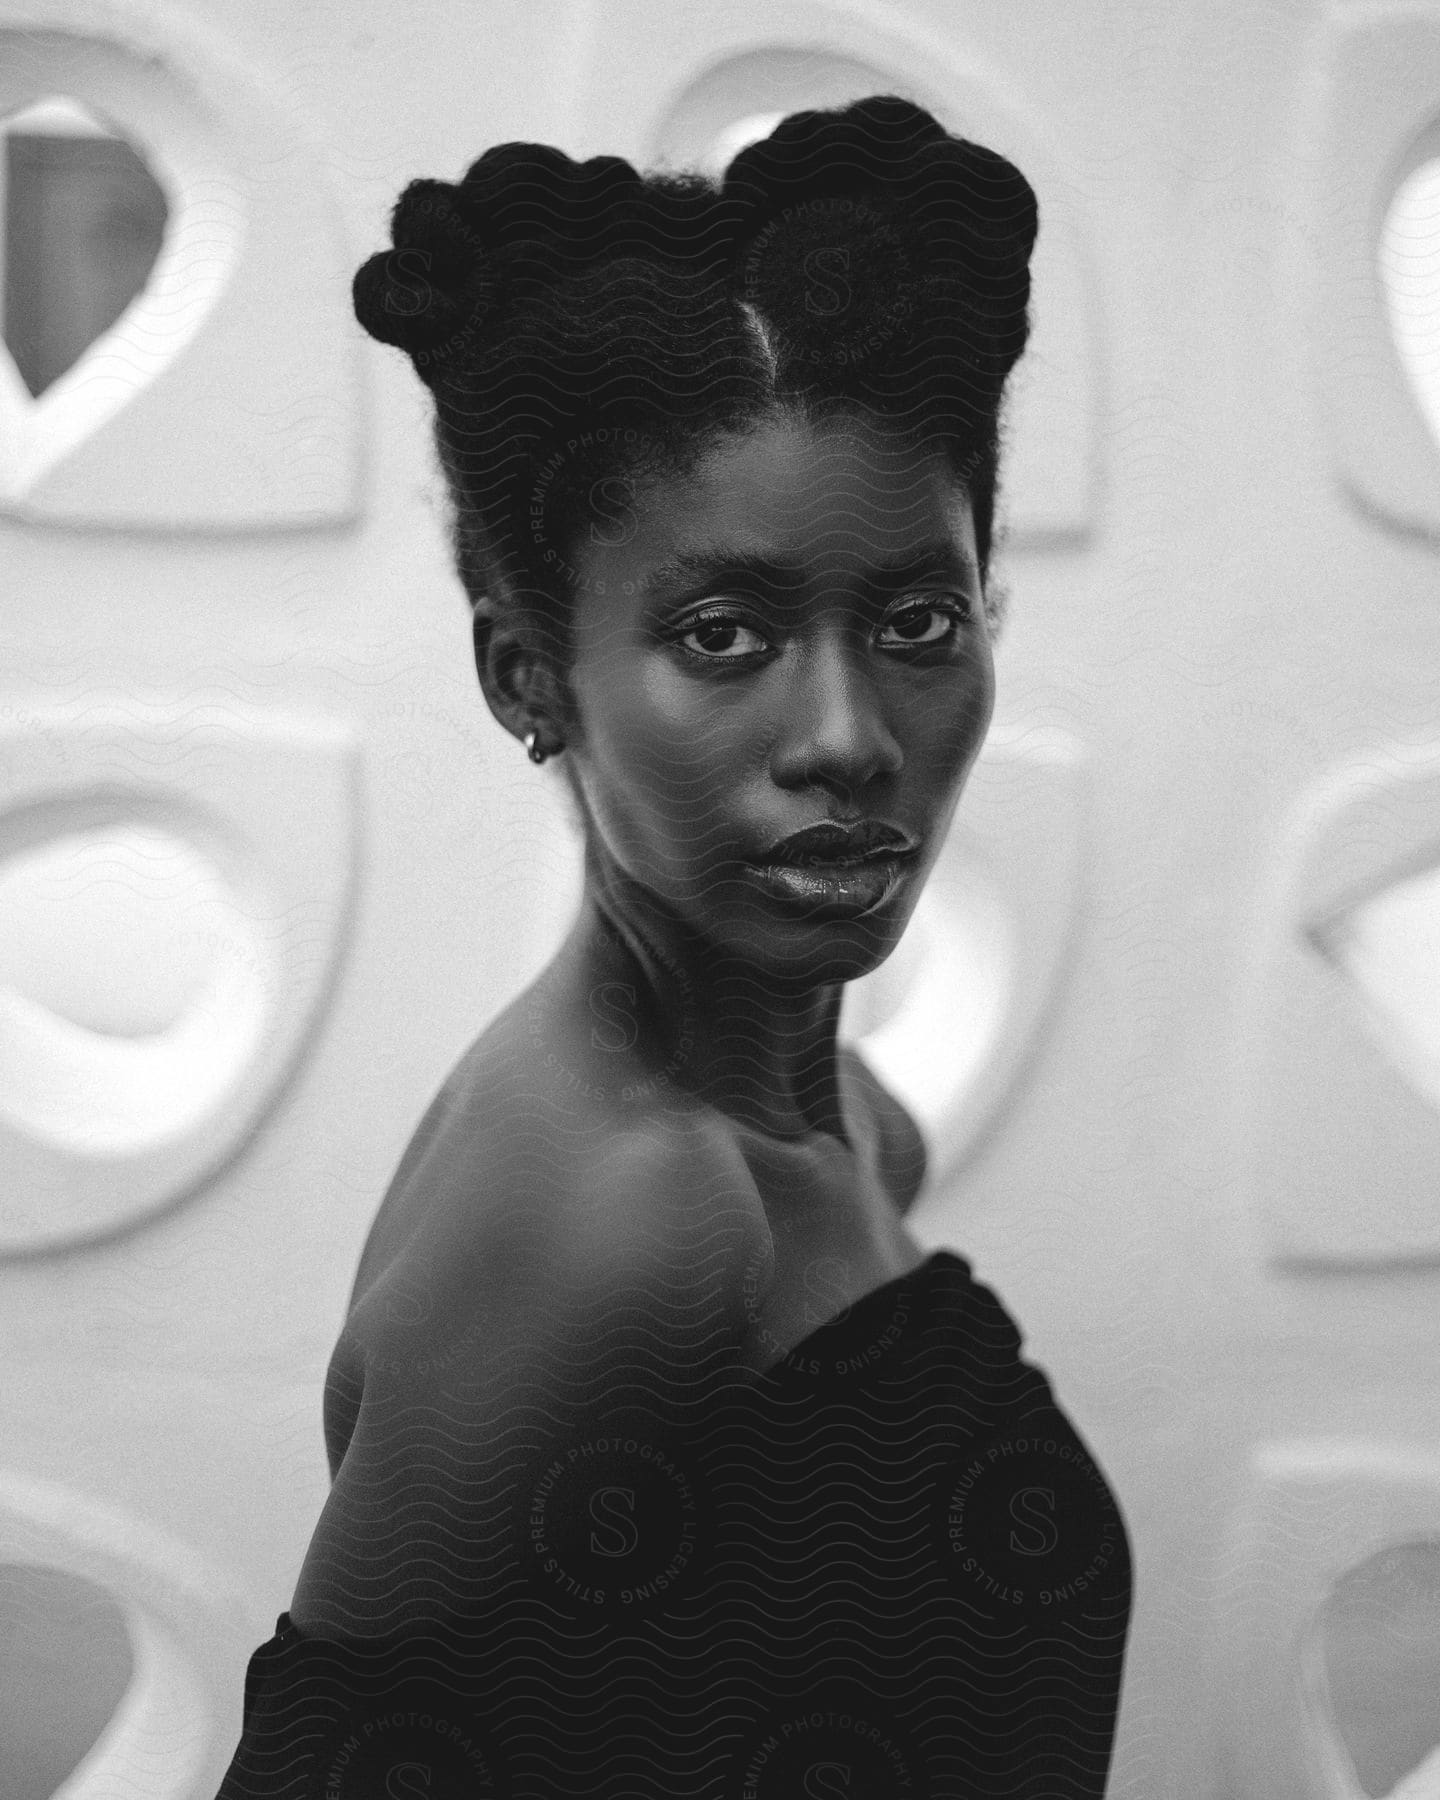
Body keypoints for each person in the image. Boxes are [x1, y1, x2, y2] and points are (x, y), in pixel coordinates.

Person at [215, 94, 1132, 1798]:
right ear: (528, 678)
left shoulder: (844, 1122)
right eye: (727, 635)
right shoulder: (643, 1220)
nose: (850, 735)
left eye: (920, 619)